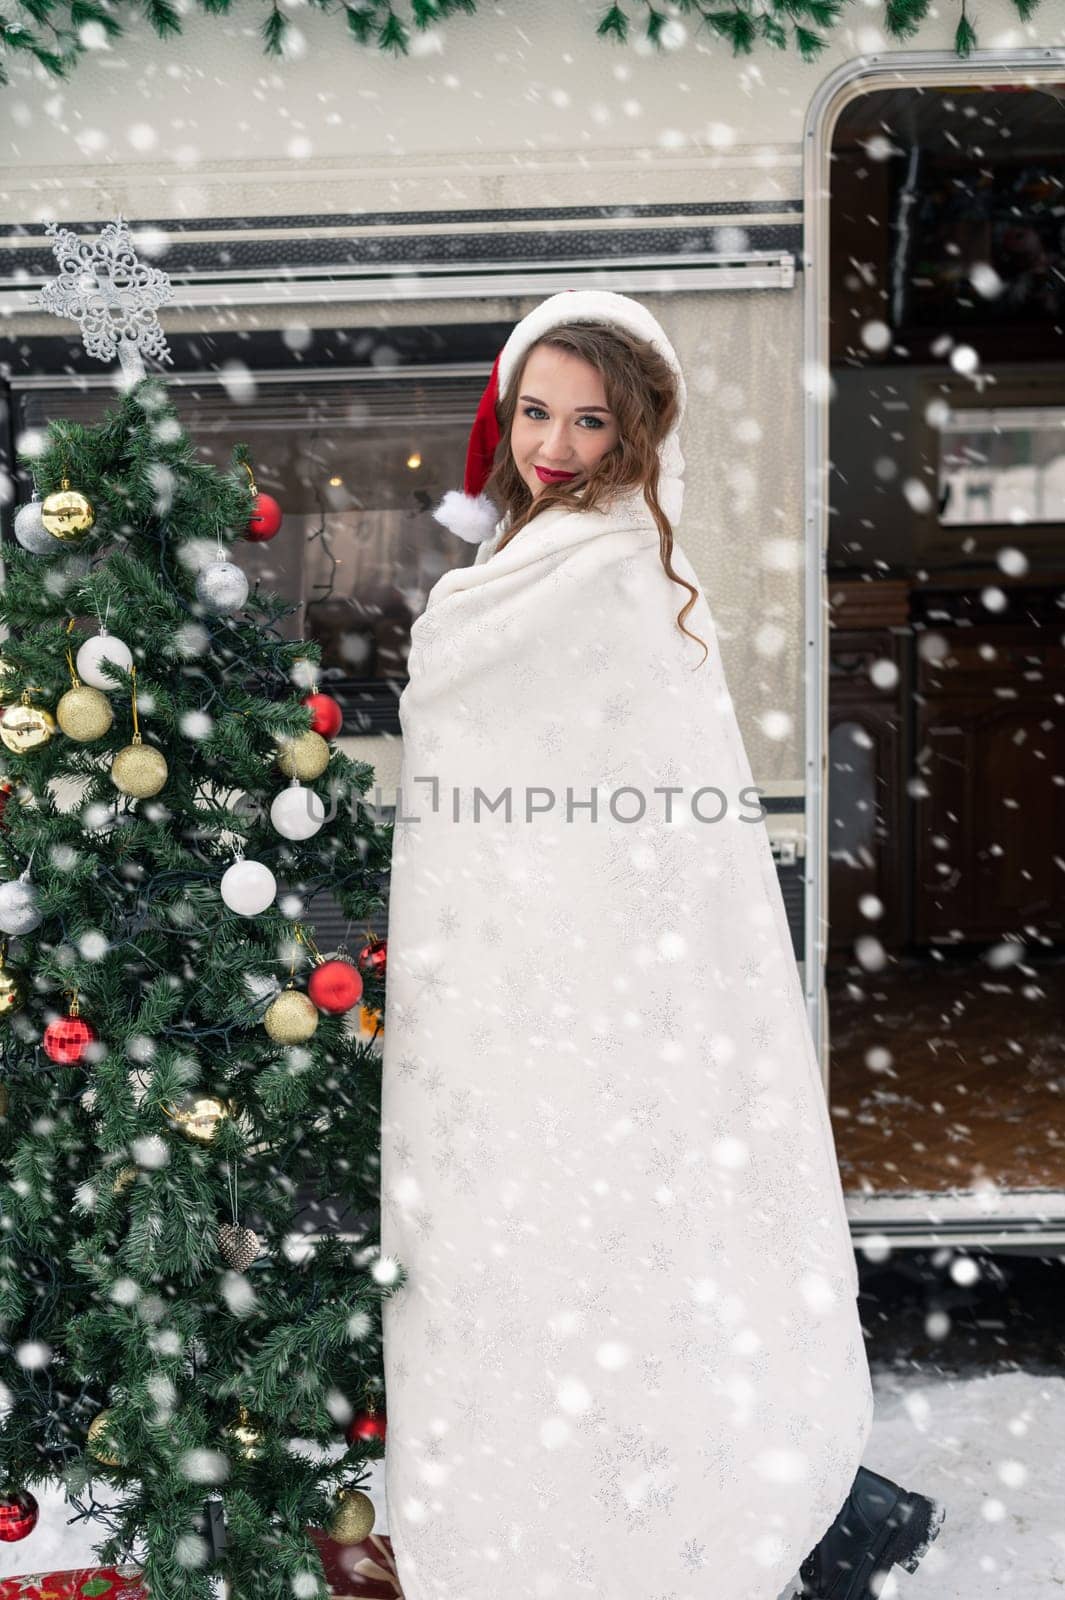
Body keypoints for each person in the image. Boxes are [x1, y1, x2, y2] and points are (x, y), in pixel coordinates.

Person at [379, 289, 944, 1600]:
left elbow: (657, 841)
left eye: (589, 420)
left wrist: (596, 974)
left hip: (613, 1005)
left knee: (629, 1263)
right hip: (518, 1000)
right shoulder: (521, 564)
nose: (557, 446)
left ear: (636, 432)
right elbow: (490, 804)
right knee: (550, 1271)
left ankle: (669, 1519)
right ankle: (575, 1513)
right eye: (535, 413)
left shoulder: (621, 578)